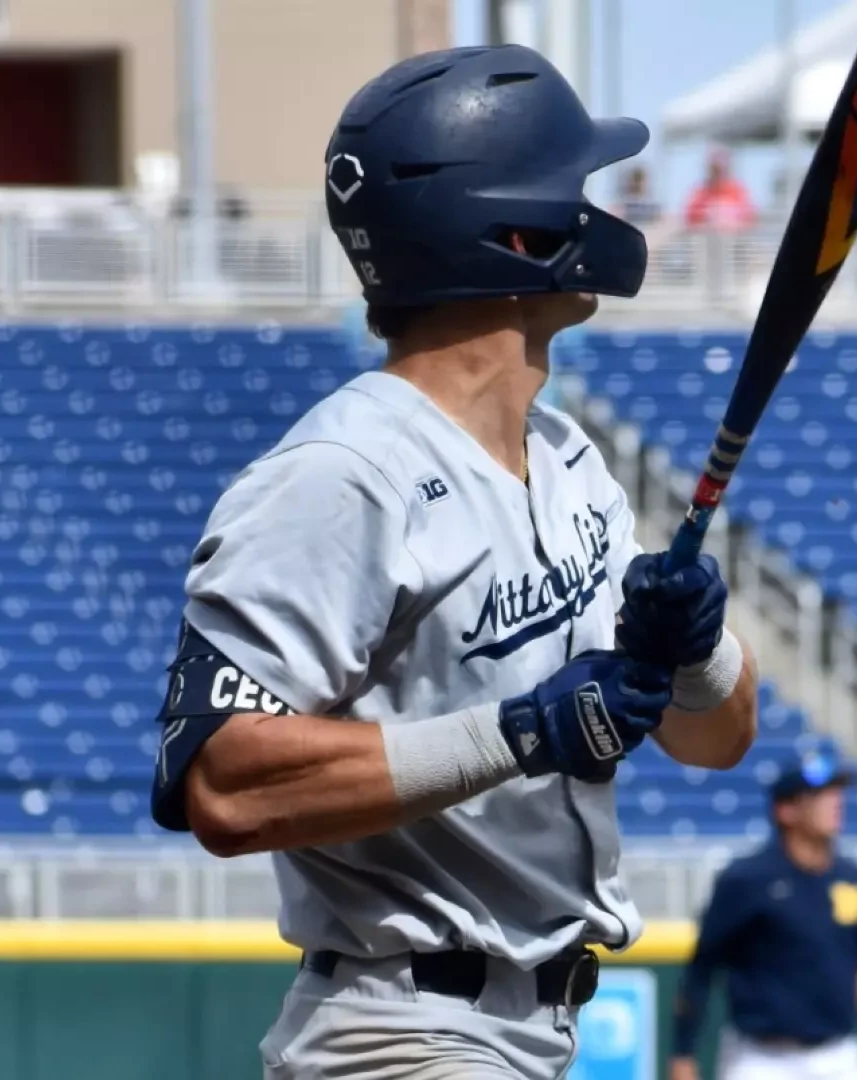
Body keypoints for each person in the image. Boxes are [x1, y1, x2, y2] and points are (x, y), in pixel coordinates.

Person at [149, 44, 759, 1080]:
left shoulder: (566, 458)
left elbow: (719, 741)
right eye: (576, 191)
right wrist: (518, 733)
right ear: (516, 234)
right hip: (398, 1032)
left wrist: (696, 654)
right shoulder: (341, 473)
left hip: (534, 1033)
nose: (599, 216)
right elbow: (219, 782)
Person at [668, 749, 857, 1080]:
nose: (835, 802)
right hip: (761, 1058)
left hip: (838, 1054)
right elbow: (700, 971)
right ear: (786, 810)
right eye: (820, 794)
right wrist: (683, 1055)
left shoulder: (852, 878)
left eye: (837, 792)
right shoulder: (746, 879)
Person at [683, 147, 757, 232]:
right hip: (705, 239)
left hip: (734, 240)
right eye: (715, 169)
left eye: (721, 169)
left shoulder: (738, 191)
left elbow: (749, 218)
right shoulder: (700, 193)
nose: (718, 173)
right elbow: (690, 218)